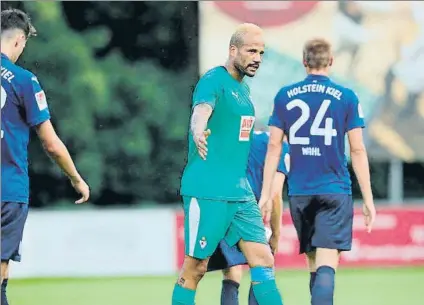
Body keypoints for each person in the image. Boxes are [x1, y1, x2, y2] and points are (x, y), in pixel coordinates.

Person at [259, 38, 376, 305]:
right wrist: (368, 199)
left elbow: (274, 146)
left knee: (314, 262)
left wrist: (266, 194)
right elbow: (357, 150)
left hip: (301, 192)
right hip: (334, 190)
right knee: (327, 263)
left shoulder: (284, 96)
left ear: (304, 62)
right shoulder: (347, 96)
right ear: (331, 61)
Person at [173, 23, 284, 305]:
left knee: (263, 259)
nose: (257, 57)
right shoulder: (213, 80)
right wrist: (198, 131)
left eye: (261, 52)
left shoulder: (243, 92)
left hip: (240, 192)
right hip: (208, 190)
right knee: (195, 268)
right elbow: (201, 111)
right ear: (233, 50)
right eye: (251, 51)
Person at [1, 9, 90, 305]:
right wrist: (76, 178)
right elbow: (50, 144)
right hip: (7, 189)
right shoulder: (24, 80)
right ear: (19, 41)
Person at [207, 130, 289, 305]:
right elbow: (275, 195)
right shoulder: (280, 145)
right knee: (263, 267)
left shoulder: (240, 136)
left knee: (232, 271)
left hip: (223, 206)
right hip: (249, 211)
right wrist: (276, 234)